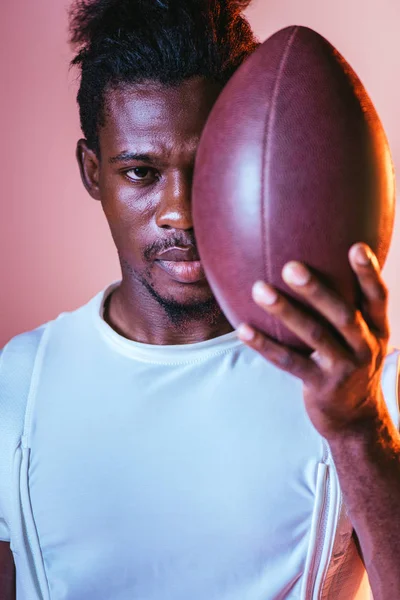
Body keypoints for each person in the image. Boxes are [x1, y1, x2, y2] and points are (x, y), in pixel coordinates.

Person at [1, 0, 400, 598]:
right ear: (92, 172)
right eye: (140, 172)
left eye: (208, 163)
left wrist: (357, 429)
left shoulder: (356, 383)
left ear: (254, 159)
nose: (179, 211)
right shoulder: (18, 386)